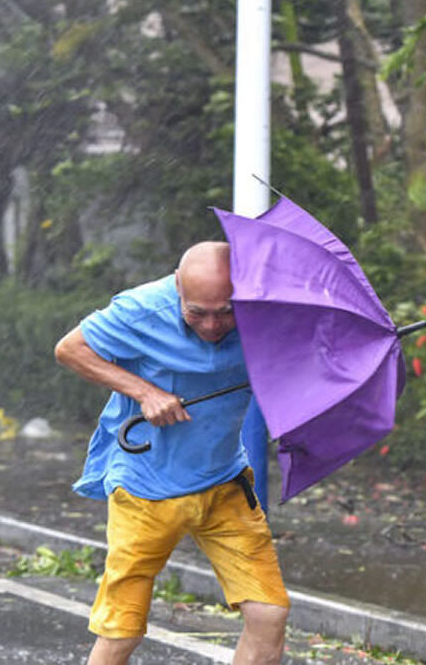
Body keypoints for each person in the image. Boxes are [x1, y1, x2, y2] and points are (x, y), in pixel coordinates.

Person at [54, 241, 289, 665]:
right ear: (177, 286)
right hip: (146, 487)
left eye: (225, 311)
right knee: (123, 629)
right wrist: (145, 393)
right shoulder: (141, 310)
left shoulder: (266, 315)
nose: (213, 325)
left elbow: (301, 357)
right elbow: (70, 349)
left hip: (224, 483)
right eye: (197, 312)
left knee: (270, 614)